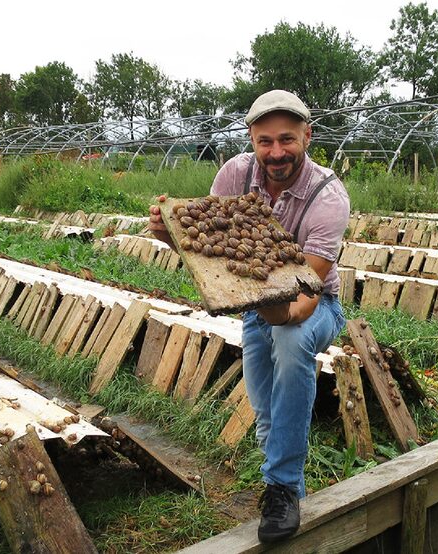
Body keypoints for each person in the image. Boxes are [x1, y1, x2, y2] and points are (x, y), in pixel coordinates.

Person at [149, 89, 350, 542]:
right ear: (252, 140)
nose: (276, 152)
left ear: (307, 136)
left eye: (287, 140)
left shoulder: (328, 197)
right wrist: (169, 234)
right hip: (256, 305)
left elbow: (302, 301)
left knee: (293, 342)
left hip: (313, 305)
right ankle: (287, 493)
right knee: (265, 412)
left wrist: (273, 312)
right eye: (265, 142)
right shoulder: (235, 174)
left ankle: (279, 489)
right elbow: (210, 248)